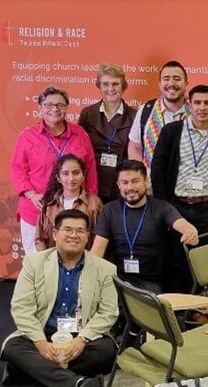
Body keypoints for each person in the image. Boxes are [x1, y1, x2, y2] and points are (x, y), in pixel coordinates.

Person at [1, 209, 118, 387]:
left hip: (81, 337)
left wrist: (81, 340)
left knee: (107, 352)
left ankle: (28, 368)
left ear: (88, 236)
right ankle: (77, 382)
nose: (74, 235)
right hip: (43, 333)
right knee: (13, 347)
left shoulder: (105, 269)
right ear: (55, 234)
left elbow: (108, 312)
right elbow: (21, 307)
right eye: (68, 230)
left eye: (80, 231)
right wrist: (40, 344)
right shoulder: (34, 262)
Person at [151, 84, 208, 292]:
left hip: (206, 208)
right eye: (197, 102)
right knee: (175, 260)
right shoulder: (172, 131)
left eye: (207, 103)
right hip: (176, 206)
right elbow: (157, 168)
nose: (202, 107)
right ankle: (175, 311)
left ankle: (197, 310)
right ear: (189, 104)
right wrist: (163, 207)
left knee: (202, 262)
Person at [10, 86, 98, 255]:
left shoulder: (80, 134)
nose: (54, 109)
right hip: (36, 210)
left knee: (73, 260)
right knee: (38, 263)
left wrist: (91, 199)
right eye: (48, 105)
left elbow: (91, 169)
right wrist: (31, 194)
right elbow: (17, 169)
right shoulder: (27, 137)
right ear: (40, 108)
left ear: (67, 108)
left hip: (74, 211)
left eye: (60, 105)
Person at [92, 160, 199, 294]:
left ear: (146, 181)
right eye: (125, 183)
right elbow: (97, 252)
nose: (130, 187)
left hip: (150, 283)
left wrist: (190, 232)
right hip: (116, 279)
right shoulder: (109, 210)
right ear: (118, 185)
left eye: (135, 181)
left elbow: (183, 224)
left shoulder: (161, 207)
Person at [77, 63, 136, 204]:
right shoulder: (87, 114)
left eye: (115, 84)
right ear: (99, 86)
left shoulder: (135, 116)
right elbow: (80, 149)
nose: (110, 89)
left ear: (123, 86)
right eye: (105, 84)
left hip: (121, 184)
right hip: (93, 180)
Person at [35, 155, 102, 251]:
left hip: (86, 261)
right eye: (65, 173)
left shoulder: (94, 203)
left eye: (76, 173)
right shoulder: (49, 205)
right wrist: (47, 261)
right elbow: (40, 239)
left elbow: (99, 238)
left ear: (83, 176)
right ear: (58, 177)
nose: (71, 178)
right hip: (53, 262)